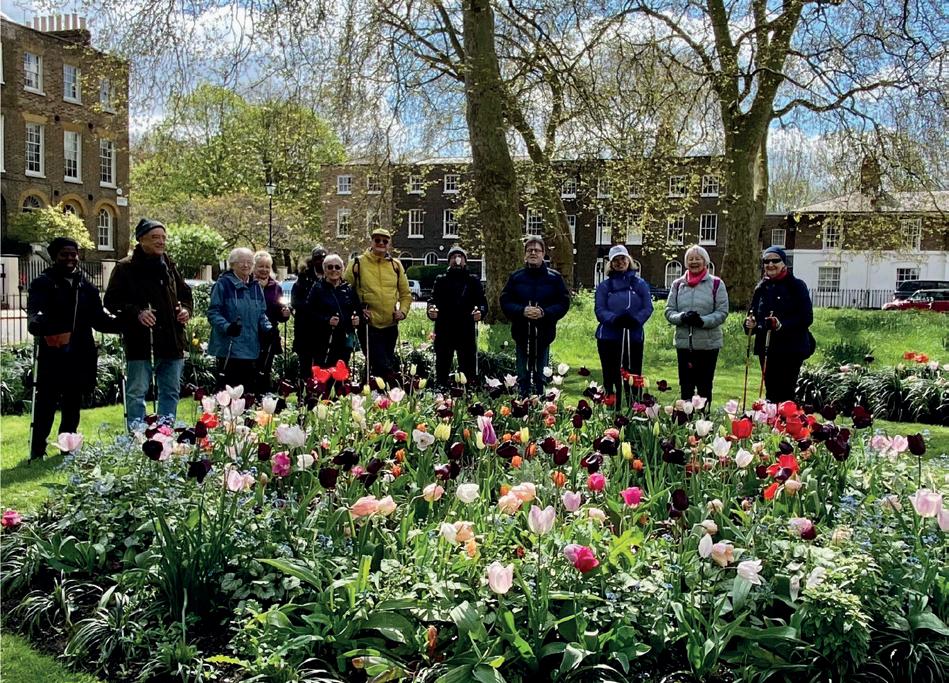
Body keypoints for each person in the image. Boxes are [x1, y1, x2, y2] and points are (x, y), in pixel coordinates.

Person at [26, 237, 118, 460]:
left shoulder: (86, 286)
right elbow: (34, 314)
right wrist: (38, 323)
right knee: (46, 402)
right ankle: (37, 449)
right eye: (64, 254)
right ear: (54, 256)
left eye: (73, 254)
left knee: (72, 403)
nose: (69, 258)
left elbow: (99, 319)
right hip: (53, 353)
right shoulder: (43, 283)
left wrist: (123, 324)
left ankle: (67, 447)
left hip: (80, 354)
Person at [105, 219, 193, 429]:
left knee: (170, 390)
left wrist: (186, 310)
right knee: (137, 391)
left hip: (171, 340)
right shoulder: (125, 268)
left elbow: (185, 295)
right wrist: (137, 312)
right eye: (155, 237)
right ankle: (137, 435)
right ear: (141, 239)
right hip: (141, 342)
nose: (161, 241)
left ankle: (165, 433)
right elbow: (111, 301)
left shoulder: (169, 265)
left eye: (163, 237)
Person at [500, 236, 570, 397]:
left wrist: (544, 312)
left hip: (543, 333)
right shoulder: (516, 277)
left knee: (541, 375)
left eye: (537, 250)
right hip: (522, 332)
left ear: (543, 254)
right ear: (525, 254)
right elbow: (505, 301)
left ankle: (541, 403)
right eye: (529, 250)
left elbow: (563, 303)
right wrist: (522, 310)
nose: (533, 253)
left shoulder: (554, 278)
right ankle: (522, 403)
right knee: (522, 375)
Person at [744, 246, 815, 403]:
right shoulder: (761, 287)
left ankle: (787, 418)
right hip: (767, 348)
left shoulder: (796, 286)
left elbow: (806, 317)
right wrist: (750, 324)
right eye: (766, 261)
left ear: (784, 263)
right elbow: (753, 313)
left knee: (785, 393)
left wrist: (780, 324)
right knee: (771, 392)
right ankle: (771, 418)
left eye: (775, 260)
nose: (770, 264)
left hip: (791, 348)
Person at [344, 228, 412, 385]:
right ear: (371, 242)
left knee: (377, 365)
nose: (381, 243)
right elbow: (345, 292)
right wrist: (358, 311)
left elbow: (405, 294)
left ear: (389, 244)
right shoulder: (357, 263)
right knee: (383, 365)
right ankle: (395, 389)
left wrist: (402, 312)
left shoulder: (396, 265)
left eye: (385, 241)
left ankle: (368, 391)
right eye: (377, 240)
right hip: (369, 325)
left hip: (390, 325)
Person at [665, 245, 729, 406]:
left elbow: (722, 312)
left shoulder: (716, 283)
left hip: (708, 345)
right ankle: (685, 419)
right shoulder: (677, 284)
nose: (694, 262)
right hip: (684, 344)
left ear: (705, 261)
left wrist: (703, 321)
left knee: (704, 387)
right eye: (690, 259)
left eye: (698, 258)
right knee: (685, 386)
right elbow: (669, 311)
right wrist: (682, 317)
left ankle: (703, 419)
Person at [593, 245, 653, 408]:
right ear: (611, 264)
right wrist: (614, 319)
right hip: (609, 337)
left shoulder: (640, 284)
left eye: (623, 259)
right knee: (611, 373)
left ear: (629, 260)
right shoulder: (605, 286)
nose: (620, 263)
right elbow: (600, 309)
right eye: (616, 260)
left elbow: (647, 307)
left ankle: (634, 407)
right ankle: (612, 406)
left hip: (633, 336)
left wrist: (636, 320)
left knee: (633, 373)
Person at [207, 248, 273, 391]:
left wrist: (268, 329)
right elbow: (213, 312)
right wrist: (227, 327)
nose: (246, 265)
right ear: (232, 264)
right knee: (228, 394)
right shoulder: (223, 285)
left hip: (251, 349)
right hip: (229, 349)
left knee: (249, 394)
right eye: (241, 262)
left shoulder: (256, 287)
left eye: (249, 262)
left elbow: (261, 313)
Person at [427, 246, 487, 389]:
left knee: (467, 365)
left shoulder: (473, 280)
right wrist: (431, 310)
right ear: (449, 261)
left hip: (466, 329)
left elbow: (482, 302)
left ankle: (467, 391)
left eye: (460, 257)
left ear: (465, 261)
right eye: (453, 257)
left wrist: (480, 312)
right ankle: (441, 390)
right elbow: (432, 300)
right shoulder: (441, 280)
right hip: (444, 328)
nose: (457, 260)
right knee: (442, 363)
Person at [307, 253, 362, 371]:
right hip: (323, 340)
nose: (334, 270)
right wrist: (327, 320)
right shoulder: (317, 288)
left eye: (337, 267)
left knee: (341, 374)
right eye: (330, 267)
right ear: (324, 269)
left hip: (344, 339)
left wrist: (357, 319)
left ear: (342, 269)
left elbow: (357, 310)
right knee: (323, 373)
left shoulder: (348, 289)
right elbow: (309, 313)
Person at [253, 251, 291, 393]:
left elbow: (279, 313)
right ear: (254, 267)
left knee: (266, 369)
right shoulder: (249, 284)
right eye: (260, 266)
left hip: (269, 335)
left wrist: (284, 314)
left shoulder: (276, 287)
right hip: (252, 333)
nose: (264, 270)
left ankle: (264, 397)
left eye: (267, 267)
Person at [291, 246, 327, 385]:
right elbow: (295, 301)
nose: (321, 261)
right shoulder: (303, 278)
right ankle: (304, 389)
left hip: (324, 329)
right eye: (317, 258)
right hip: (305, 328)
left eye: (323, 258)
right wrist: (311, 308)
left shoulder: (331, 277)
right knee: (305, 365)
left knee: (322, 365)